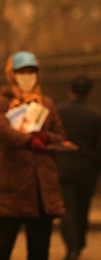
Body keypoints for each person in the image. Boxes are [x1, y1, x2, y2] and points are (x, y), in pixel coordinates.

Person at [0, 51, 66, 260]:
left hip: (41, 189)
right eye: (22, 72)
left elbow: (60, 137)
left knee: (39, 251)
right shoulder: (0, 102)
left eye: (31, 71)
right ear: (12, 75)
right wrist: (29, 140)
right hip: (13, 187)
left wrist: (45, 138)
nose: (27, 76)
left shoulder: (46, 104)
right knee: (0, 248)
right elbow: (3, 132)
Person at [56, 75, 101, 260]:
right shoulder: (95, 115)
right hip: (87, 170)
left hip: (61, 168)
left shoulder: (58, 112)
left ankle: (72, 246)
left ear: (70, 90)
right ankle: (79, 243)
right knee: (82, 208)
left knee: (66, 209)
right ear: (89, 93)